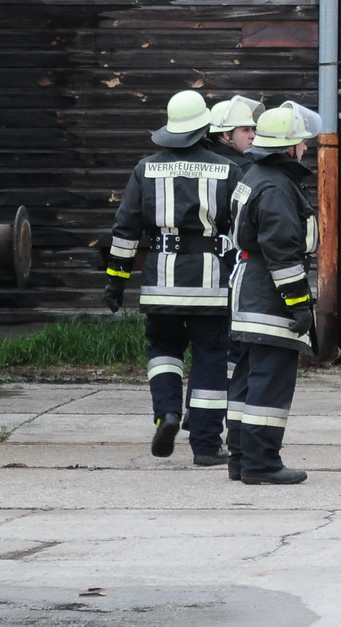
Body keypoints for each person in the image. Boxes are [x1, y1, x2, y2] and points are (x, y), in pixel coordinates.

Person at [105, 90, 237, 465]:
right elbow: (245, 225)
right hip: (210, 284)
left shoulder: (145, 169)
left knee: (163, 351)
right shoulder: (227, 169)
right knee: (211, 357)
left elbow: (125, 229)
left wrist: (115, 280)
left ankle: (166, 413)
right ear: (204, 127)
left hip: (160, 281)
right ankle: (207, 446)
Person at [226, 102, 320, 484]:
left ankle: (241, 459)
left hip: (249, 288)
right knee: (270, 378)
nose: (306, 149)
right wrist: (300, 304)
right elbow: (282, 250)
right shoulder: (277, 186)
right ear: (289, 147)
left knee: (246, 377)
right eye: (302, 143)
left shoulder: (256, 174)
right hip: (269, 293)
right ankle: (261, 464)